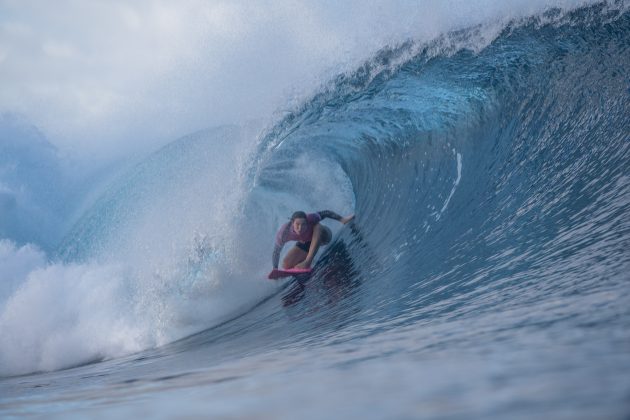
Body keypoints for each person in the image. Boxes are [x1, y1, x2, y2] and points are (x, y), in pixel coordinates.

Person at [272, 210, 354, 270]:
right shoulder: (284, 233)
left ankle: (308, 261)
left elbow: (326, 213)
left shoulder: (311, 218)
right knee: (286, 265)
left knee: (317, 226)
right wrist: (275, 269)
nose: (300, 228)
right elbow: (276, 251)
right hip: (306, 243)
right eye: (297, 224)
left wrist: (342, 219)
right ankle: (304, 261)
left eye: (303, 224)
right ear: (292, 222)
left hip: (324, 236)